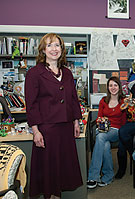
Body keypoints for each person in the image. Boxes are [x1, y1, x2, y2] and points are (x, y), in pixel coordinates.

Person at [25, 33, 82, 199]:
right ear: (43, 49)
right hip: (47, 129)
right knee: (49, 172)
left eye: (57, 45)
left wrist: (76, 122)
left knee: (62, 170)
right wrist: (35, 131)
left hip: (65, 128)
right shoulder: (34, 73)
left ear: (62, 49)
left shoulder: (67, 73)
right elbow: (32, 104)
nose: (54, 49)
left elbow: (73, 99)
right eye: (49, 45)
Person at [87, 76, 126, 189]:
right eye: (110, 85)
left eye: (115, 85)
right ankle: (108, 176)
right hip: (103, 130)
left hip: (116, 130)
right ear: (107, 87)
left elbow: (124, 122)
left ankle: (93, 176)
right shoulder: (103, 100)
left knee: (100, 138)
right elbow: (99, 118)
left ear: (119, 87)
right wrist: (100, 123)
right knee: (104, 144)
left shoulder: (123, 101)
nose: (113, 87)